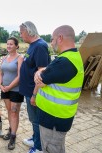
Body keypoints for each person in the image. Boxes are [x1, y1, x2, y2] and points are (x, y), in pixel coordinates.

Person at [34, 25, 84, 153]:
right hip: (58, 116)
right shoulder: (71, 56)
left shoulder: (64, 62)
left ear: (60, 38)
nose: (51, 43)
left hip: (54, 118)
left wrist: (38, 73)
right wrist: (41, 71)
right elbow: (46, 72)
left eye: (52, 39)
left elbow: (40, 80)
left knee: (52, 148)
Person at [19, 21, 50, 153]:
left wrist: (34, 94)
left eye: (21, 32)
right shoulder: (32, 45)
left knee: (37, 120)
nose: (20, 36)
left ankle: (38, 147)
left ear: (29, 31)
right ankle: (35, 138)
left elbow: (41, 72)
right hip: (28, 90)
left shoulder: (40, 46)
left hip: (34, 92)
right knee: (33, 119)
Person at [0, 37, 24, 150]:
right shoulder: (4, 58)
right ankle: (10, 129)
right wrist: (0, 84)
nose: (8, 46)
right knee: (9, 110)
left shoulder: (20, 58)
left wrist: (9, 87)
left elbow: (20, 76)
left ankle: (13, 136)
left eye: (11, 44)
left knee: (14, 112)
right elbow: (1, 73)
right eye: (7, 44)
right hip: (4, 89)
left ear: (16, 46)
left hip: (15, 89)